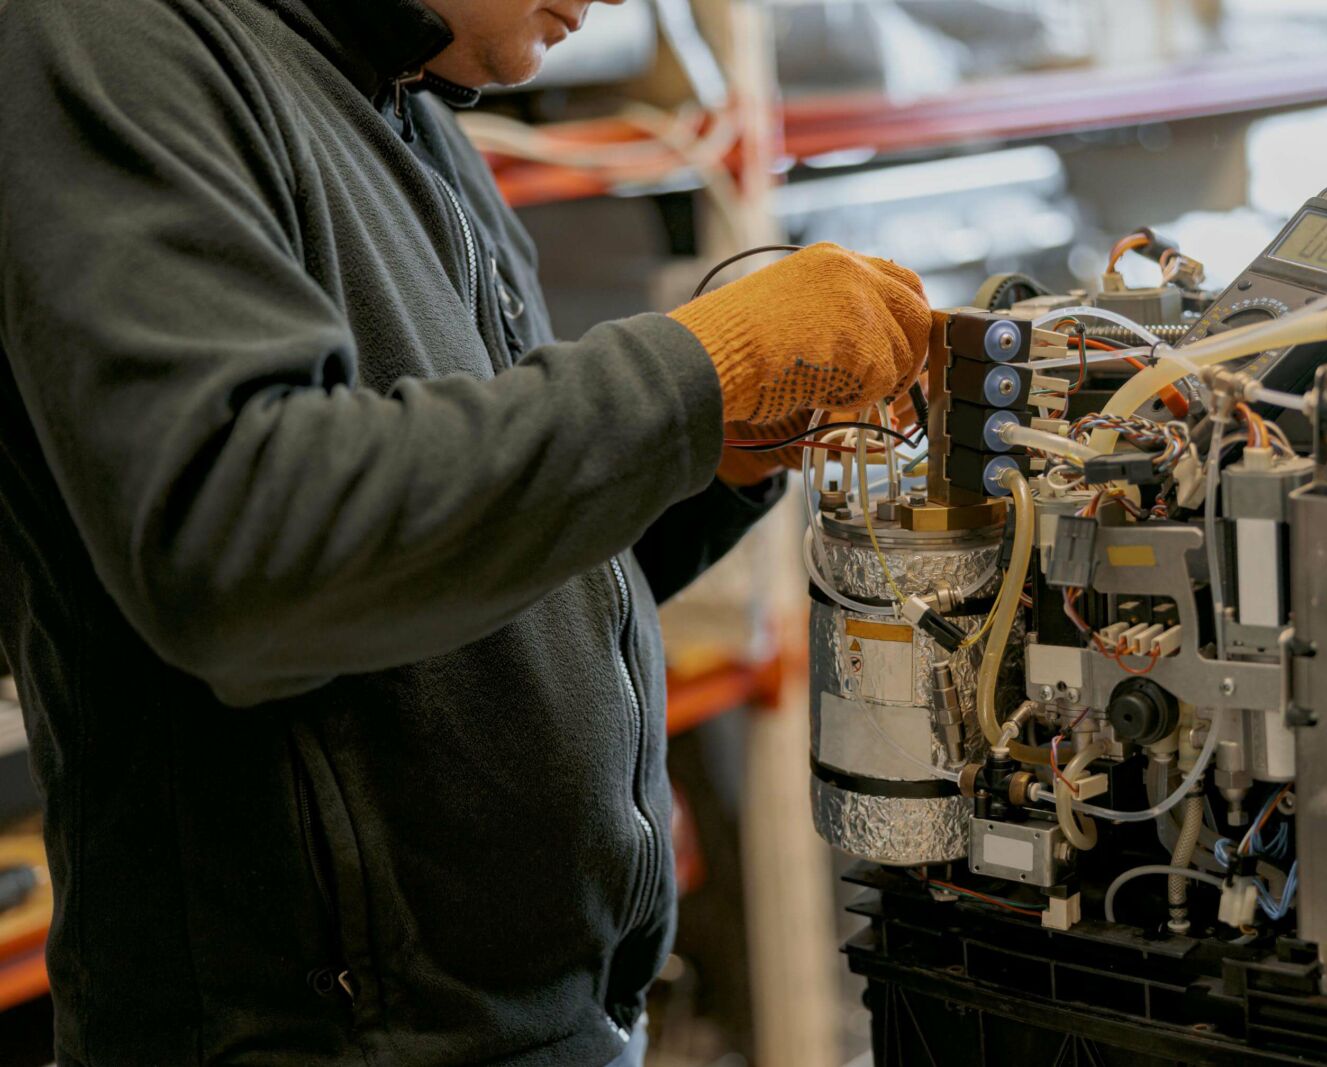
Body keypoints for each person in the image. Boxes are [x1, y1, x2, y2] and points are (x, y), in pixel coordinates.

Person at [0, 0, 929, 1063]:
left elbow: (454, 562)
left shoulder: (403, 92)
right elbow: (245, 549)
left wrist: (704, 460)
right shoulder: (111, 35)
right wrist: (689, 380)